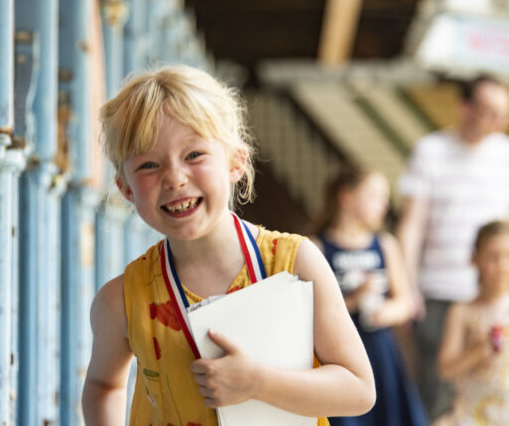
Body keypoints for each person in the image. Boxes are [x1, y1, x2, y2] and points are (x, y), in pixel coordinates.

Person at [81, 65, 376, 425]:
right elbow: (102, 385)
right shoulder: (123, 301)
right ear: (126, 188)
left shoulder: (294, 264)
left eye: (193, 155)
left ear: (236, 161)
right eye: (148, 165)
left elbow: (359, 390)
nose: (174, 178)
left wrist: (258, 383)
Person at [397, 74, 509, 419]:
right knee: (439, 396)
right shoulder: (431, 150)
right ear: (464, 107)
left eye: (501, 113)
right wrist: (407, 287)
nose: (495, 120)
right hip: (440, 291)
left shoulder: (505, 154)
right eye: (487, 110)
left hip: (497, 295)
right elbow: (412, 226)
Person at [311, 168, 428, 426]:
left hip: (381, 351)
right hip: (339, 354)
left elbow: (405, 302)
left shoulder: (386, 245)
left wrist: (385, 312)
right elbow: (309, 312)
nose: (384, 205)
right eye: (375, 196)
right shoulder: (316, 248)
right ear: (347, 198)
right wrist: (354, 300)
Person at [433, 220, 509, 426]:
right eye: (493, 257)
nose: (503, 266)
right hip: (472, 414)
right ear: (475, 260)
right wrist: (476, 351)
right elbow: (445, 370)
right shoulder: (462, 312)